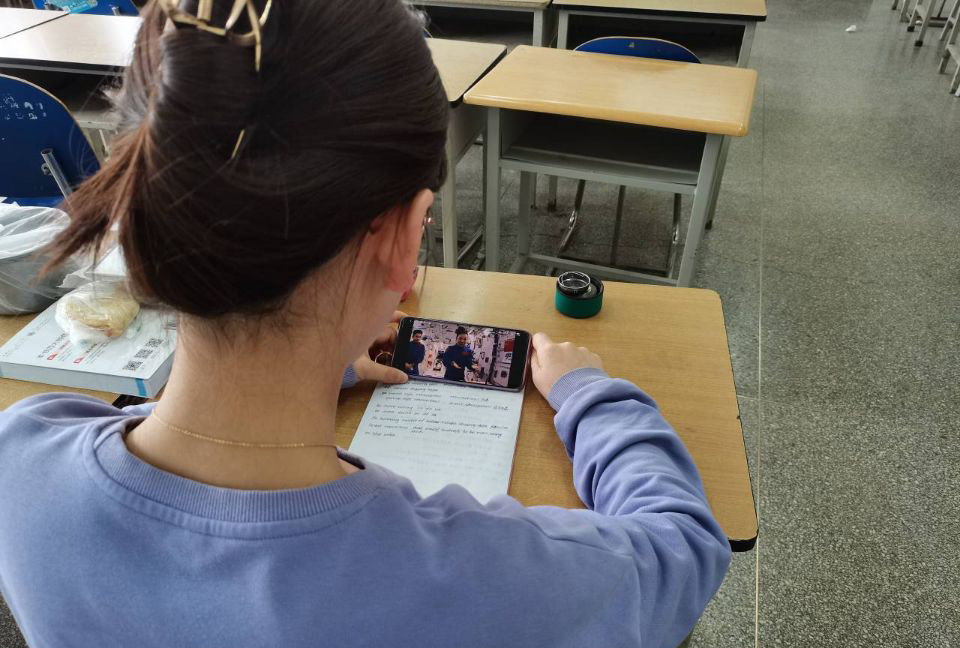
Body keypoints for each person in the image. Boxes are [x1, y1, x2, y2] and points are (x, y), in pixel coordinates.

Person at [0, 1, 731, 646]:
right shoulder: (492, 583)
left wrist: (324, 370)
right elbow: (683, 546)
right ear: (404, 239)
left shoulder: (21, 459)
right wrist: (591, 395)